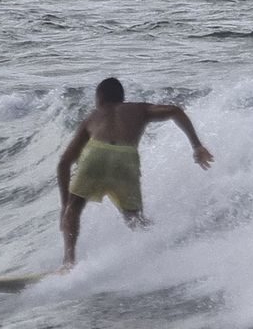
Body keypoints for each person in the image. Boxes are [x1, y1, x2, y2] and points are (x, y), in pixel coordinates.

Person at [56, 77, 213, 268]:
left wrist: (65, 207)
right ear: (122, 98)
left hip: (95, 156)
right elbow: (175, 111)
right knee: (134, 219)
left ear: (100, 99)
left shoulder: (92, 117)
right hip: (126, 160)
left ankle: (68, 262)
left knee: (75, 208)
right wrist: (197, 146)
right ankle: (169, 249)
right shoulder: (139, 108)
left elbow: (64, 162)